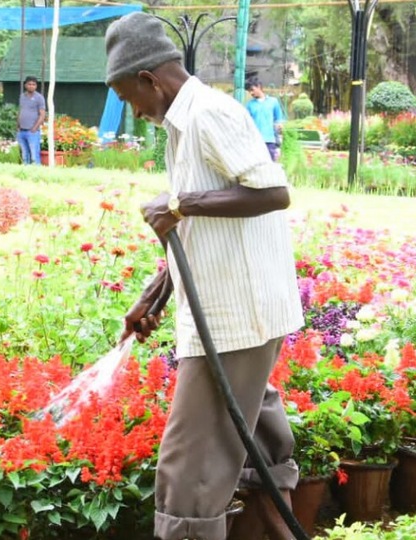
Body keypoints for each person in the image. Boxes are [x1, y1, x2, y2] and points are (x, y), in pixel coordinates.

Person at [105, 12, 303, 540]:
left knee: (187, 472)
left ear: (149, 79)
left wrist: (180, 202)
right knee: (257, 442)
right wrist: (155, 294)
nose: (134, 111)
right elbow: (197, 231)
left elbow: (272, 193)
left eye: (130, 98)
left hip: (236, 319)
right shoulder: (181, 125)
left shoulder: (208, 115)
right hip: (238, 313)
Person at [244, 79, 285, 162]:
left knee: (270, 166)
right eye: (249, 91)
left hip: (270, 140)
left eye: (252, 90)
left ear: (259, 87)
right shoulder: (249, 105)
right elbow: (246, 123)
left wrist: (280, 127)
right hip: (255, 141)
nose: (251, 93)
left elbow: (279, 119)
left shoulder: (273, 102)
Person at [16, 76, 46, 165]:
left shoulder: (39, 98)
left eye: (33, 84)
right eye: (29, 84)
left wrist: (35, 128)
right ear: (25, 85)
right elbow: (21, 110)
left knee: (34, 155)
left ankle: (36, 171)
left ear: (36, 86)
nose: (31, 86)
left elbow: (42, 114)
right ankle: (25, 171)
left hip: (32, 131)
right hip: (21, 130)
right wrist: (18, 125)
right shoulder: (22, 96)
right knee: (25, 154)